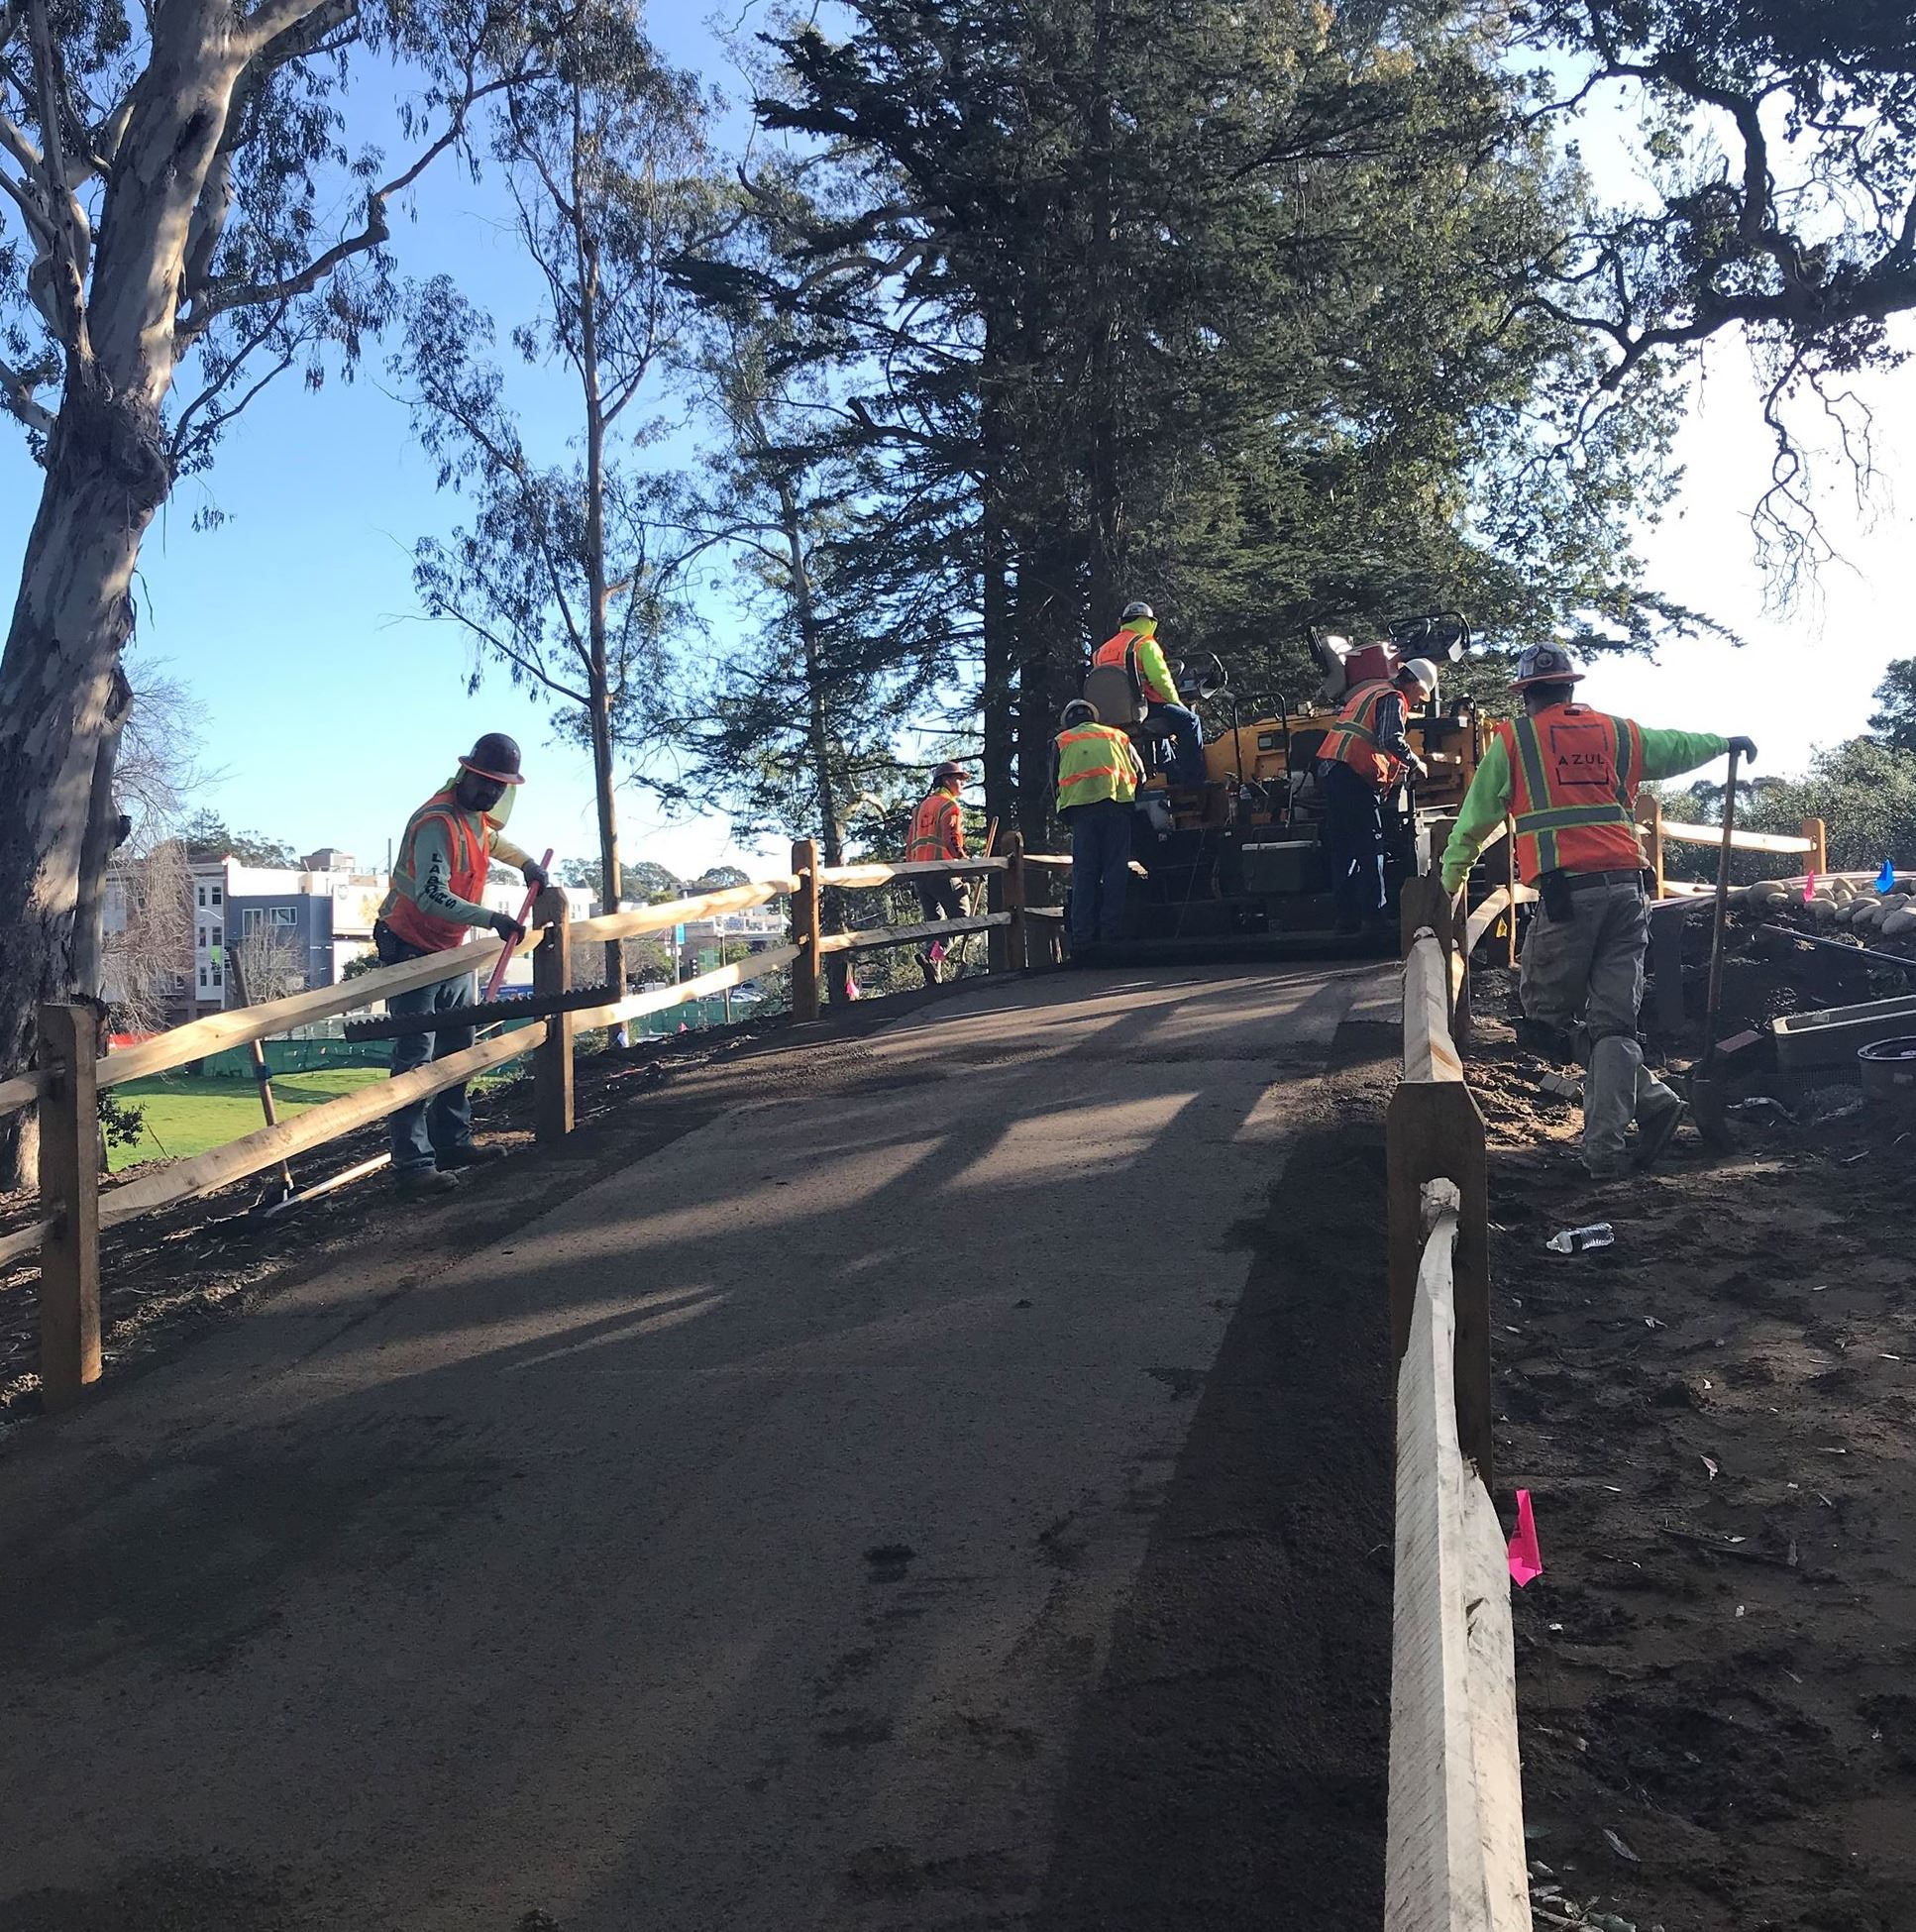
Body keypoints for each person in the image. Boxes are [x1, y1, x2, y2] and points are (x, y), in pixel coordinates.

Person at [1440, 644, 1757, 1181]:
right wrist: (1723, 743)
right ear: (1569, 688)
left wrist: (1447, 881)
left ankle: (1640, 1119)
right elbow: (1675, 746)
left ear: (1526, 695)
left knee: (1543, 1023)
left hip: (1568, 897)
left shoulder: (1516, 741)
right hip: (1630, 892)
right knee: (1615, 1026)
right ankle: (1628, 1131)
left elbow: (1474, 820)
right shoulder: (1618, 734)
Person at [374, 732, 549, 1199]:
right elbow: (432, 896)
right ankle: (413, 1165)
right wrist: (491, 919)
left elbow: (493, 841)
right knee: (415, 1059)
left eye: (501, 786)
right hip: (411, 947)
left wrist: (527, 864)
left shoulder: (475, 819)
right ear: (468, 772)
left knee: (458, 1048)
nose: (492, 792)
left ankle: (452, 1142)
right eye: (487, 782)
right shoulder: (437, 822)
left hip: (450, 947)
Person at [1316, 655, 1438, 934]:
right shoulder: (1392, 697)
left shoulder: (1368, 692)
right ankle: (1375, 918)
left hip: (1333, 771)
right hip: (1352, 775)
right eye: (1419, 696)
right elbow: (1389, 738)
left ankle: (1346, 919)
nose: (1418, 703)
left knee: (1345, 849)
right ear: (1413, 684)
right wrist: (1415, 763)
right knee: (1370, 846)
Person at [1052, 698, 1146, 955]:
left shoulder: (1062, 742)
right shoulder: (1118, 737)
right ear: (1094, 717)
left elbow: (1055, 784)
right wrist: (1130, 803)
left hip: (1083, 815)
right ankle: (1111, 933)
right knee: (1116, 871)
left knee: (1085, 874)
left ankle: (1083, 939)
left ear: (1068, 720)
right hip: (1117, 810)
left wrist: (1066, 815)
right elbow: (1141, 774)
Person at [1091, 599, 1206, 789]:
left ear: (1123, 622)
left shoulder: (1100, 653)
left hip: (1108, 717)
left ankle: (1170, 773)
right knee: (1189, 721)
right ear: (1149, 622)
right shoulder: (1144, 644)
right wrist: (1177, 703)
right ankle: (1194, 781)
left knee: (1159, 729)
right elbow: (1161, 680)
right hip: (1141, 709)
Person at [906, 761, 971, 984]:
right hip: (942, 871)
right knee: (961, 918)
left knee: (935, 925)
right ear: (946, 781)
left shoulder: (919, 809)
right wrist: (967, 863)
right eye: (959, 778)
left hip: (920, 876)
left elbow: (910, 845)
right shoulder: (949, 806)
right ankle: (932, 956)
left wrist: (911, 875)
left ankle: (934, 971)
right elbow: (952, 841)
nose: (962, 783)